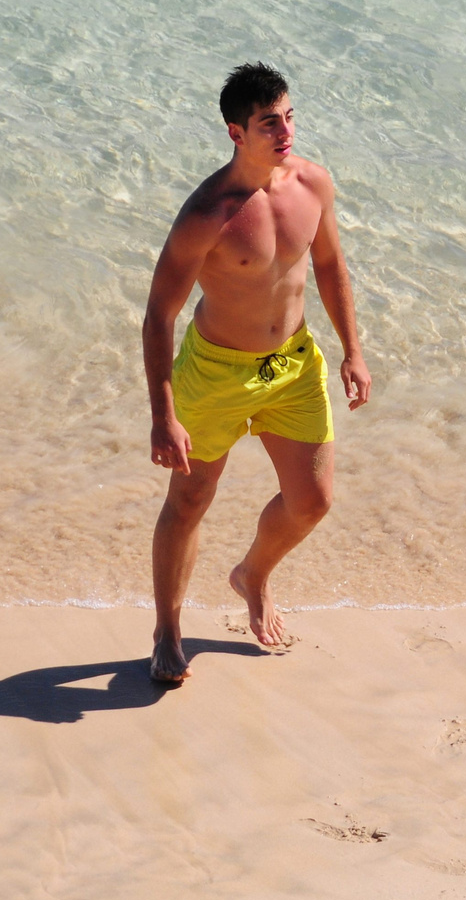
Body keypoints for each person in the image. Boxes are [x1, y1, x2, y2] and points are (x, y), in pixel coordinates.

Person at [142, 62, 372, 682]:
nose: (286, 130)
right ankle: (167, 630)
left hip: (293, 366)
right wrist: (163, 413)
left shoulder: (313, 185)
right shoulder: (208, 213)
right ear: (235, 132)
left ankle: (253, 575)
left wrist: (352, 349)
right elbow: (159, 315)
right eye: (270, 122)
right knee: (190, 499)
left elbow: (330, 268)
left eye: (290, 116)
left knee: (313, 501)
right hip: (214, 372)